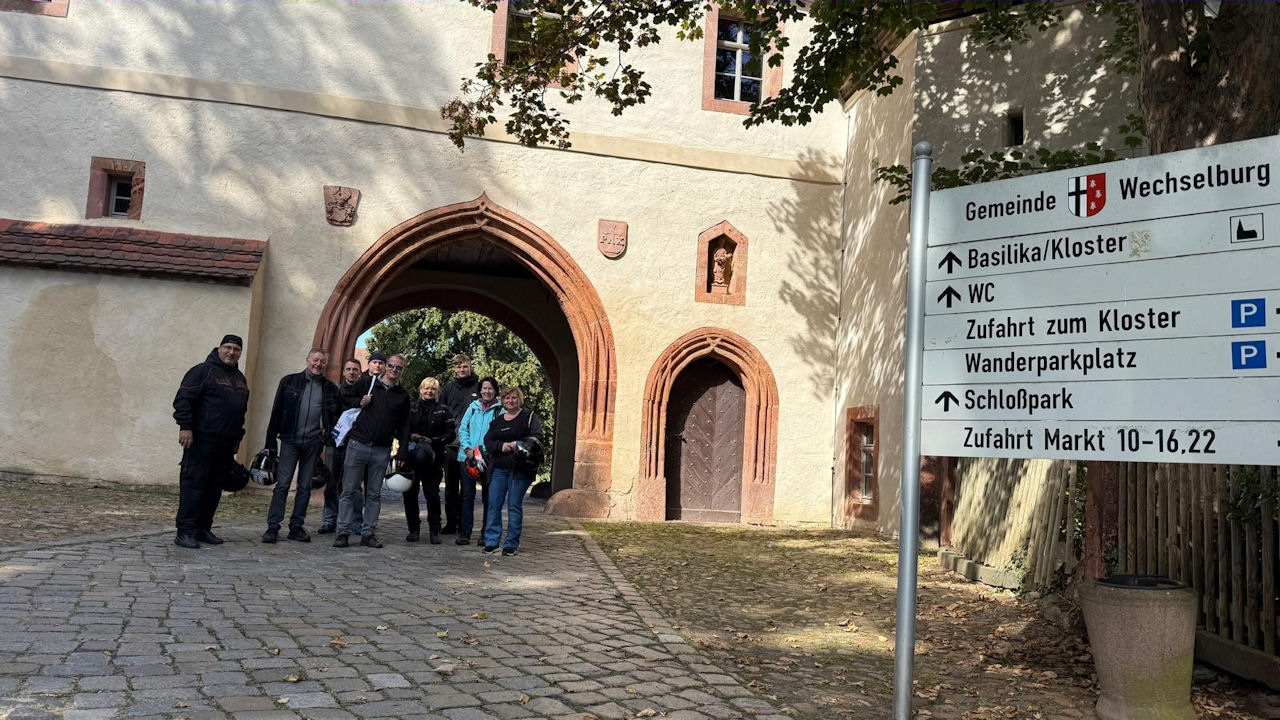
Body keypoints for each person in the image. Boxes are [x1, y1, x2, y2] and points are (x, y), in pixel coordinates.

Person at [172, 334, 250, 549]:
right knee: (193, 485)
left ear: (240, 353)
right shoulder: (202, 371)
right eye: (227, 347)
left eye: (236, 349)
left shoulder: (240, 379)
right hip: (201, 439)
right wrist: (185, 427)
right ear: (219, 348)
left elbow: (240, 412)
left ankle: (203, 528)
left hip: (226, 443)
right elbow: (183, 400)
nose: (231, 352)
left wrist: (237, 438)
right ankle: (184, 531)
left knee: (214, 487)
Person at [261, 348, 341, 544]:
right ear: (307, 360)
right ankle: (273, 526)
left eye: (322, 361)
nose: (318, 364)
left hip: (313, 444)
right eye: (315, 360)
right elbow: (276, 412)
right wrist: (270, 442)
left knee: (305, 487)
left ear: (325, 364)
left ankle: (296, 526)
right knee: (283, 484)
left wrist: (326, 439)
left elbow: (335, 417)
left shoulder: (330, 388)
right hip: (290, 440)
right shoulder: (289, 381)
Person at [335, 353, 411, 549]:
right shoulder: (367, 383)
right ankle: (342, 532)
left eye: (399, 368)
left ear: (403, 371)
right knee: (349, 490)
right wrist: (359, 402)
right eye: (391, 365)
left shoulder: (402, 395)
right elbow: (344, 398)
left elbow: (404, 425)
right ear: (385, 366)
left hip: (381, 449)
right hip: (357, 444)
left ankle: (368, 533)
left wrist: (402, 451)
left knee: (374, 494)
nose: (394, 370)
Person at [481, 386, 545, 557]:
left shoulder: (528, 417)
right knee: (494, 505)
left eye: (514, 398)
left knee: (514, 505)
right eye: (507, 398)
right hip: (499, 468)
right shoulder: (497, 421)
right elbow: (488, 441)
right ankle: (491, 541)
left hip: (520, 469)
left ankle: (510, 544)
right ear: (502, 400)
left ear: (520, 399)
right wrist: (501, 446)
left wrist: (518, 444)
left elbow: (537, 437)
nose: (510, 401)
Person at [404, 377, 455, 544]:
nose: (429, 391)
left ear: (437, 391)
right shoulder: (411, 408)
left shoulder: (444, 410)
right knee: (409, 494)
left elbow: (451, 434)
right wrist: (410, 435)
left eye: (433, 389)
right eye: (426, 388)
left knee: (432, 495)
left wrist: (434, 441)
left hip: (434, 458)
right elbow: (401, 429)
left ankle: (435, 530)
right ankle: (413, 529)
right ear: (421, 390)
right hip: (411, 457)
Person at [319, 357, 365, 534]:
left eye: (355, 369)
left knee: (354, 484)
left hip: (356, 443)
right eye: (349, 369)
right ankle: (329, 519)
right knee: (332, 481)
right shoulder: (335, 390)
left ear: (360, 373)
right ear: (344, 372)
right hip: (335, 442)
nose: (352, 372)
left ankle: (355, 521)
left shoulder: (365, 394)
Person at [455, 376, 501, 546]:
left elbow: (501, 433)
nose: (487, 391)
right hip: (468, 458)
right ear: (480, 390)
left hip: (489, 459)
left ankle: (486, 534)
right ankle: (465, 533)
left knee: (489, 498)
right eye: (484, 388)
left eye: (490, 388)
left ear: (495, 391)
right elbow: (463, 429)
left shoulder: (500, 410)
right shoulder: (472, 407)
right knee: (467, 496)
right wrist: (468, 449)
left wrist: (488, 451)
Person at [438, 354, 480, 534]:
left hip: (471, 446)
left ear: (470, 366)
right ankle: (451, 522)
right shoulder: (448, 389)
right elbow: (440, 412)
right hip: (451, 445)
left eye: (465, 366)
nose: (462, 369)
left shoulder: (478, 387)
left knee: (467, 489)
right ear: (454, 369)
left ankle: (464, 523)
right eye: (459, 367)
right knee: (451, 488)